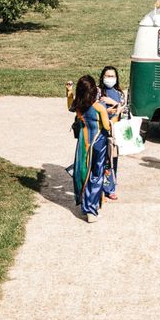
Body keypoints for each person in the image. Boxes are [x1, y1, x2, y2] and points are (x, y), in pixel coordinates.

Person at [66, 75, 111, 223]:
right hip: (98, 143)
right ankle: (91, 210)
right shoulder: (99, 106)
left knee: (84, 173)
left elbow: (69, 105)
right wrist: (115, 114)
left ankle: (87, 205)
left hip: (83, 144)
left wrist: (69, 91)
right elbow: (106, 126)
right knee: (96, 175)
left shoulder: (78, 105)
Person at [98, 66, 127, 201]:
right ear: (102, 77)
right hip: (101, 130)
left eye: (112, 76)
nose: (110, 78)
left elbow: (124, 110)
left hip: (115, 131)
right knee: (100, 160)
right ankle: (99, 188)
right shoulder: (98, 92)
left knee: (112, 159)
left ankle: (110, 188)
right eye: (107, 76)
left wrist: (112, 103)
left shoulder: (119, 93)